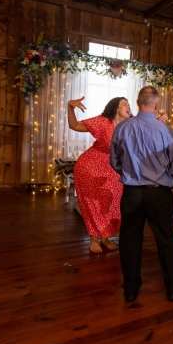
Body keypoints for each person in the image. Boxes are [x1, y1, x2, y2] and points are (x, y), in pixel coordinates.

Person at [110, 86, 173, 302]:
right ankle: (172, 288)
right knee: (166, 239)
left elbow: (114, 162)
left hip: (132, 193)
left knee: (130, 240)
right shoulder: (167, 131)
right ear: (157, 104)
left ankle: (130, 289)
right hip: (159, 193)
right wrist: (164, 177)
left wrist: (131, 173)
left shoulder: (122, 128)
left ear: (136, 102)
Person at [67, 96, 131, 253]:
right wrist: (70, 106)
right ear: (116, 108)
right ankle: (94, 239)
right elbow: (74, 125)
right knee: (93, 203)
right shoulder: (103, 121)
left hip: (112, 169)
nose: (128, 106)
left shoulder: (129, 126)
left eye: (129, 104)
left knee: (112, 201)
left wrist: (159, 118)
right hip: (90, 167)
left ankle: (105, 237)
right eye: (124, 104)